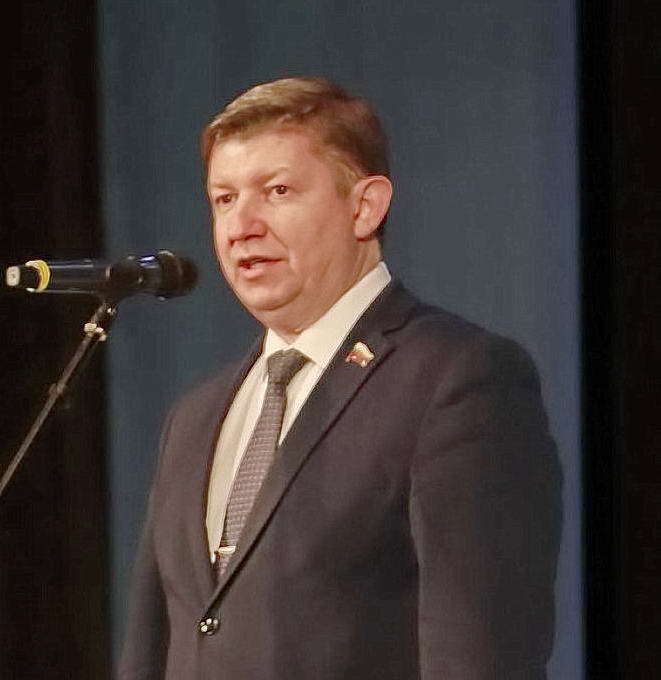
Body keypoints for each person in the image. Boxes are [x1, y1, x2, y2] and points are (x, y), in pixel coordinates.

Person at [118, 77, 562, 680]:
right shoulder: (194, 418)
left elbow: (481, 654)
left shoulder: (457, 381)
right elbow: (152, 650)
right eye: (223, 199)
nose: (241, 225)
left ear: (364, 207)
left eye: (277, 191)